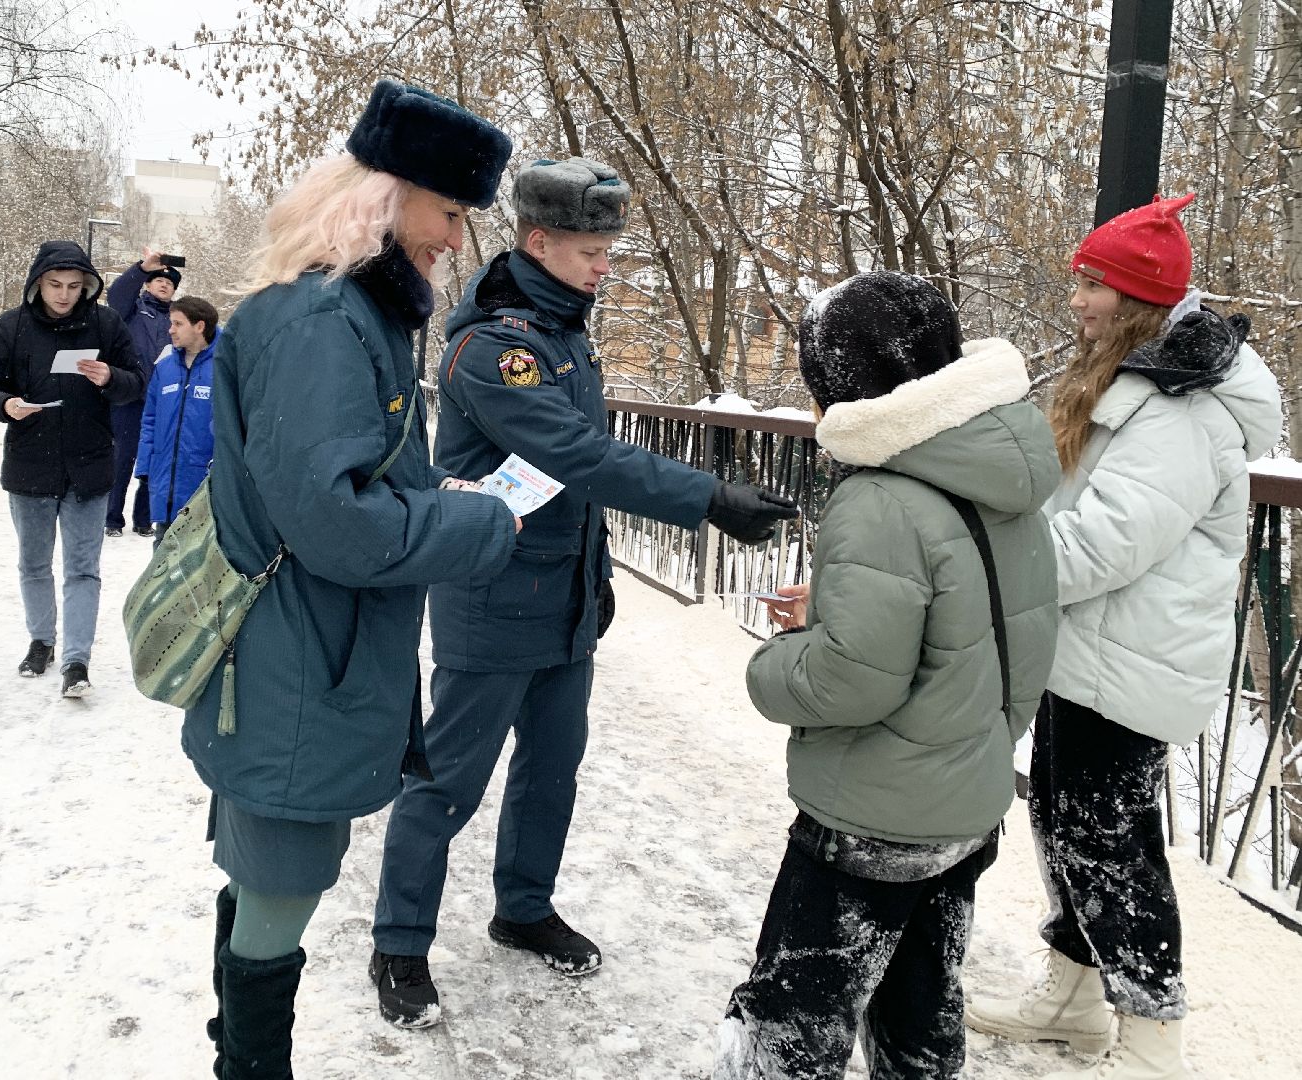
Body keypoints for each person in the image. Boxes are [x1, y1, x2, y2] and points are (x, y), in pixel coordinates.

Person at [369, 154, 799, 1028]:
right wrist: (709, 498)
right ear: (538, 242)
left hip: (562, 603)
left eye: (610, 251)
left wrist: (594, 579)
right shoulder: (495, 351)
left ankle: (522, 908)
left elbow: (572, 487)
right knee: (450, 781)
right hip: (490, 600)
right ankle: (399, 941)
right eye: (591, 251)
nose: (607, 267)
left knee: (551, 773)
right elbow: (581, 457)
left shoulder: (565, 330)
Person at [181, 80, 519, 1079]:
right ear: (387, 195)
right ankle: (250, 1065)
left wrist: (423, 485)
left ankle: (234, 1051)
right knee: (279, 886)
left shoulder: (337, 314)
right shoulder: (328, 319)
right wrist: (471, 520)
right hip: (298, 664)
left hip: (294, 656)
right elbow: (331, 523)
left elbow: (333, 481)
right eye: (449, 211)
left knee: (262, 877)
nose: (456, 239)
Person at [711, 272, 1061, 1080]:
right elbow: (976, 620)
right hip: (963, 803)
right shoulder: (999, 475)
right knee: (920, 1015)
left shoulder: (879, 499)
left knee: (789, 1028)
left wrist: (774, 663)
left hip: (870, 821)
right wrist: (837, 616)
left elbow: (850, 682)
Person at [964, 195, 1282, 1080]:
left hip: (1133, 660)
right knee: (1067, 817)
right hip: (1090, 651)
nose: (1077, 300)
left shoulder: (1181, 411)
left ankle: (1152, 1034)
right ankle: (1073, 996)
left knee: (1108, 836)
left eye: (1093, 284)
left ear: (1138, 299)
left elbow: (1106, 541)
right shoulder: (1134, 381)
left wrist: (985, 568)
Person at [0, 240, 144, 697]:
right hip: (30, 466)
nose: (64, 294)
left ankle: (76, 660)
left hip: (89, 467)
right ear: (37, 284)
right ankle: (41, 640)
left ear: (87, 286)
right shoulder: (11, 327)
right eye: (54, 284)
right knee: (33, 564)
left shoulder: (105, 323)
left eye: (73, 285)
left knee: (83, 568)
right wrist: (5, 404)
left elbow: (136, 380)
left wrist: (110, 377)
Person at [105, 248, 181, 537]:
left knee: (153, 461)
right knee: (122, 459)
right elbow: (116, 295)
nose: (165, 285)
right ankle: (112, 518)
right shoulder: (132, 310)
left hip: (162, 401)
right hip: (128, 397)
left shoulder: (177, 318)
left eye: (171, 283)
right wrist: (141, 268)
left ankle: (143, 519)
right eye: (159, 280)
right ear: (147, 284)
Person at [134, 295, 219, 543]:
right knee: (163, 563)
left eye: (178, 323)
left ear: (199, 326)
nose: (170, 330)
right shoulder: (165, 368)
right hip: (164, 483)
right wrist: (146, 467)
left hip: (204, 487)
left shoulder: (226, 365)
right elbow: (149, 419)